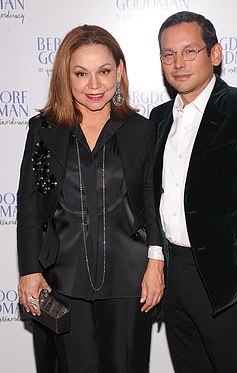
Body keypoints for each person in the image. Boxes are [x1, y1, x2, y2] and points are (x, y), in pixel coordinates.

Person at [150, 11, 237, 373]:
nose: (178, 63)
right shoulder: (158, 118)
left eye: (190, 51)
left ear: (215, 54)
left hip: (227, 281)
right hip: (174, 277)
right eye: (168, 54)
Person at [17, 24, 164, 373]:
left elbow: (151, 201)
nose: (94, 85)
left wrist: (156, 264)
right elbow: (30, 204)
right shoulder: (45, 131)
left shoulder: (142, 131)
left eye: (104, 72)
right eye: (81, 74)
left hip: (130, 282)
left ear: (120, 71)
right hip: (62, 281)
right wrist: (30, 270)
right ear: (65, 77)